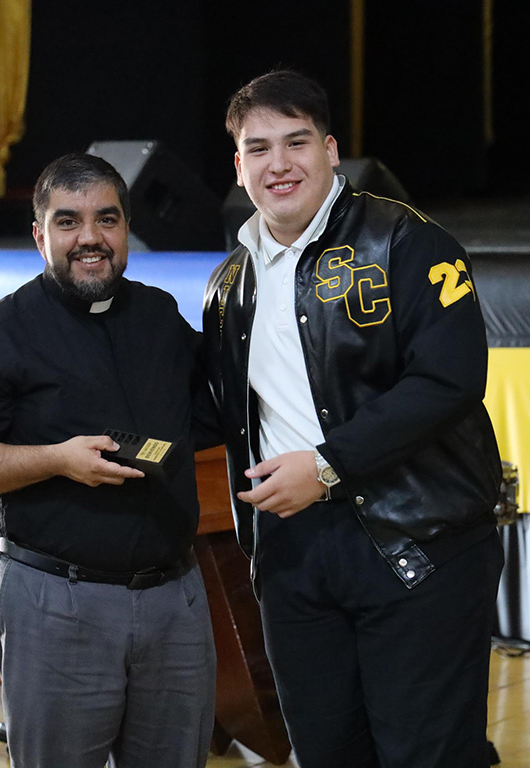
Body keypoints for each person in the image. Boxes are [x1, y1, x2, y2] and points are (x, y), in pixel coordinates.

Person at [202, 70, 504, 768]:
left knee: (426, 755)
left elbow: (451, 379)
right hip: (292, 556)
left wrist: (329, 464)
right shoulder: (230, 283)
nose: (279, 163)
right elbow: (214, 411)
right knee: (326, 752)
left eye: (296, 142)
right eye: (259, 147)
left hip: (417, 541)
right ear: (239, 165)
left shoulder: (406, 241)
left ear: (332, 150)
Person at [0, 153, 217, 768]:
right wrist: (57, 460)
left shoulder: (160, 316)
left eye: (106, 220)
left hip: (175, 602)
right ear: (40, 235)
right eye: (69, 222)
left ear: (126, 227)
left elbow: (210, 414)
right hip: (58, 604)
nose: (90, 238)